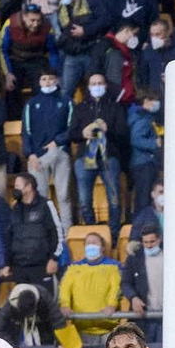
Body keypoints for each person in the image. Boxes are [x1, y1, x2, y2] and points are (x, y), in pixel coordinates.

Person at [71, 73, 128, 236]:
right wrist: (83, 132)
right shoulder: (80, 107)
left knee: (114, 200)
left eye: (100, 83)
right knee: (84, 201)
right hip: (84, 158)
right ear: (88, 87)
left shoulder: (115, 107)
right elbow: (71, 134)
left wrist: (107, 129)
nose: (97, 86)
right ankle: (92, 233)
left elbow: (123, 133)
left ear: (105, 85)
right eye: (93, 83)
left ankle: (114, 236)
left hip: (108, 157)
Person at [22, 69, 73, 231]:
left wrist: (58, 142)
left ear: (57, 81)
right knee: (40, 196)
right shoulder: (31, 104)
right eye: (44, 79)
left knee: (63, 195)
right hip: (37, 156)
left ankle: (67, 232)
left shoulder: (67, 101)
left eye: (51, 79)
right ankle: (43, 231)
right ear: (39, 82)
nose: (48, 82)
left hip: (61, 152)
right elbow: (26, 131)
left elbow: (72, 127)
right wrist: (30, 154)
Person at [58, 231, 120, 342]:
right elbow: (65, 288)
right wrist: (65, 304)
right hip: (80, 328)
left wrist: (112, 304)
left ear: (103, 248)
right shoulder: (73, 267)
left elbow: (116, 287)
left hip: (108, 329)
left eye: (94, 242)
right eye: (88, 243)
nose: (91, 245)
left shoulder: (114, 266)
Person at [6, 172, 60, 288]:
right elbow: (10, 237)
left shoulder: (46, 205)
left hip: (41, 266)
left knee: (43, 303)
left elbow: (57, 233)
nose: (14, 189)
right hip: (19, 268)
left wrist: (54, 258)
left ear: (28, 187)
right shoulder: (15, 208)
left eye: (17, 186)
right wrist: (7, 263)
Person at [120, 223, 162, 340]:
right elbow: (125, 283)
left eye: (152, 242)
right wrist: (133, 298)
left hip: (167, 317)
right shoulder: (134, 259)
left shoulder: (170, 257)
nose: (149, 246)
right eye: (145, 242)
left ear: (159, 239)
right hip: (144, 317)